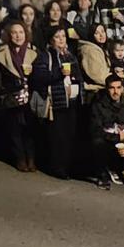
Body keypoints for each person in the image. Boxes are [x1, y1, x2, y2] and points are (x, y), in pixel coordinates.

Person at [29, 27, 84, 179]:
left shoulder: (70, 56)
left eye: (63, 36)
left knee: (70, 136)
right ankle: (57, 168)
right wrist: (59, 73)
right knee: (58, 137)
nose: (61, 39)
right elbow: (39, 77)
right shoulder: (45, 56)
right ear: (51, 40)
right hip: (56, 102)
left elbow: (78, 76)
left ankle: (69, 167)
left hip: (72, 101)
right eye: (57, 36)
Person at [0, 21, 38, 172]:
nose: (18, 36)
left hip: (30, 96)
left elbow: (40, 77)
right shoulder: (1, 54)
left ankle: (31, 159)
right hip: (11, 96)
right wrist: (2, 93)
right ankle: (20, 159)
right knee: (15, 130)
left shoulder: (34, 52)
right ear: (9, 35)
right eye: (14, 33)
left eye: (21, 32)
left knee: (30, 130)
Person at [77, 23, 114, 90]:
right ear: (91, 35)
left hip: (105, 86)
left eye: (103, 31)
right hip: (96, 90)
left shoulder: (102, 48)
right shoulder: (90, 50)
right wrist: (115, 80)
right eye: (96, 33)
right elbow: (98, 76)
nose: (101, 35)